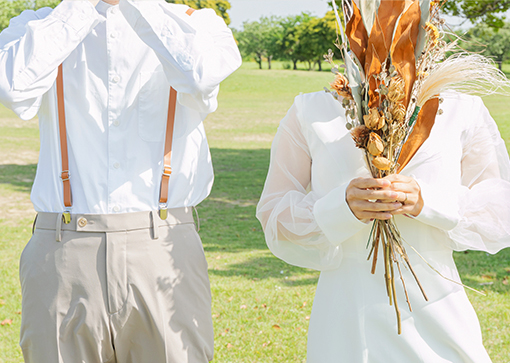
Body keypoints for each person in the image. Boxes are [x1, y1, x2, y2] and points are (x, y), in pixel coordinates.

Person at [256, 3, 510, 362]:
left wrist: (428, 201)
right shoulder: (310, 111)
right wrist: (339, 208)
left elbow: (500, 215)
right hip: (346, 327)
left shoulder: (461, 110)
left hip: (439, 319)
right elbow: (275, 218)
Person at [0, 0, 241, 362]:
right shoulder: (38, 25)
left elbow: (201, 74)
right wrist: (81, 8)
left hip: (163, 244)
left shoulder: (198, 25)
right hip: (63, 250)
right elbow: (13, 87)